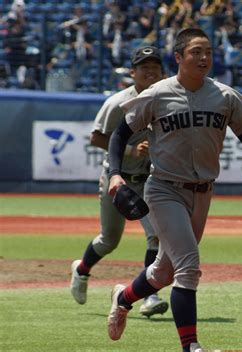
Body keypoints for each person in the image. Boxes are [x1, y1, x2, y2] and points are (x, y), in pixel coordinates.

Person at [105, 28, 242, 352]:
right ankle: (191, 346)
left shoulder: (224, 96)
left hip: (203, 193)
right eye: (196, 51)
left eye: (208, 51)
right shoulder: (156, 94)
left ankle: (123, 297)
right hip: (164, 189)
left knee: (164, 271)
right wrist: (115, 174)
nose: (204, 57)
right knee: (188, 266)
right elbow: (119, 134)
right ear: (178, 57)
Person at [70, 46, 169, 318]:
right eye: (144, 67)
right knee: (109, 240)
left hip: (150, 181)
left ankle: (151, 295)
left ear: (163, 72)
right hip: (118, 180)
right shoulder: (117, 102)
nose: (150, 71)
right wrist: (130, 151)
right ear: (133, 72)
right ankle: (81, 270)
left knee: (156, 237)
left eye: (155, 67)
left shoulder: (167, 100)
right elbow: (97, 137)